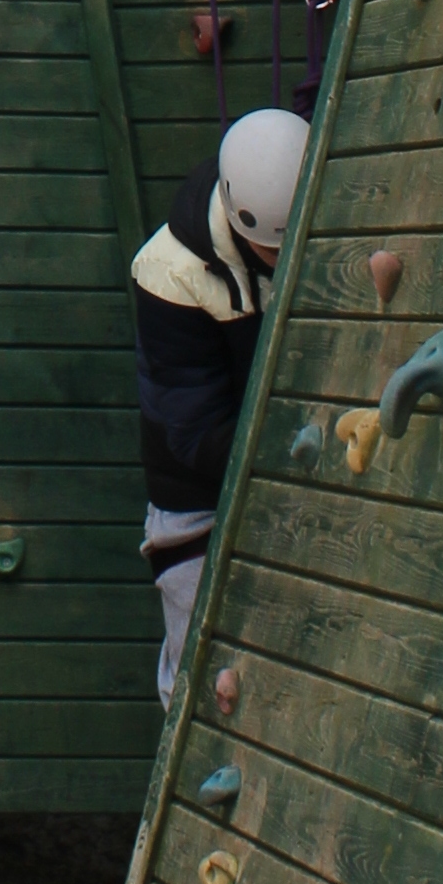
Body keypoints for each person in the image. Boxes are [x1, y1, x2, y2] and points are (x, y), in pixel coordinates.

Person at [131, 112, 304, 697]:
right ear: (238, 217)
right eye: (272, 247)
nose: (285, 258)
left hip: (290, 466)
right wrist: (295, 447)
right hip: (198, 503)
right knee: (204, 685)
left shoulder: (296, 211)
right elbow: (193, 429)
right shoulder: (167, 274)